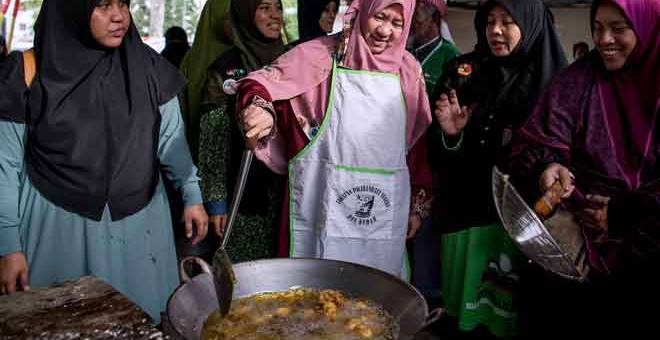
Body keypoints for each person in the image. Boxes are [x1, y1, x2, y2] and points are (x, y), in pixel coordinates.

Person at [0, 0, 208, 322]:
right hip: (57, 228)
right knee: (63, 322)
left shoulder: (147, 66)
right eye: (102, 5)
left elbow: (171, 139)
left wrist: (191, 193)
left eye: (123, 4)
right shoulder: (27, 73)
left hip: (141, 232)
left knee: (141, 322)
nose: (118, 16)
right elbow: (5, 167)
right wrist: (8, 245)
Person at [235, 0, 433, 279]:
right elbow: (258, 84)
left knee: (376, 300)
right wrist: (260, 107)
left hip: (382, 218)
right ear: (363, 11)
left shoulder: (408, 71)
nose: (386, 30)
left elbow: (415, 147)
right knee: (309, 297)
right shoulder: (318, 55)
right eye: (380, 17)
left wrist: (417, 206)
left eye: (397, 23)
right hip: (318, 209)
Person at [510, 0, 659, 337]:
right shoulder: (580, 79)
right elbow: (540, 138)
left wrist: (625, 213)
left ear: (647, 24)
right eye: (597, 27)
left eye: (619, 28)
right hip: (575, 248)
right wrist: (549, 165)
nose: (604, 39)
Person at [432, 0, 567, 337]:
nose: (495, 30)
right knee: (464, 319)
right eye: (489, 20)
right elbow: (438, 154)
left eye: (507, 21)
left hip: (522, 224)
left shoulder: (559, 83)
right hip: (465, 219)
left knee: (509, 317)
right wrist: (453, 136)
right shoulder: (462, 73)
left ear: (530, 22)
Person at [199, 0, 287, 262]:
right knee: (248, 277)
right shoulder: (226, 69)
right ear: (245, 14)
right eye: (264, 8)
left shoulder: (293, 62)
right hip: (245, 195)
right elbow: (213, 140)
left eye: (278, 8)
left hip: (288, 194)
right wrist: (216, 202)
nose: (275, 15)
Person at [407, 0, 459, 307]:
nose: (411, 22)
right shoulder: (403, 56)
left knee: (425, 229)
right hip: (401, 157)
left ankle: (425, 298)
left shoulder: (452, 60)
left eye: (418, 16)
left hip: (432, 160)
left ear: (436, 18)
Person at [179, 0, 233, 163]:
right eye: (230, 16)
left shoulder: (246, 55)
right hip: (195, 159)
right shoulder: (192, 60)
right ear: (214, 18)